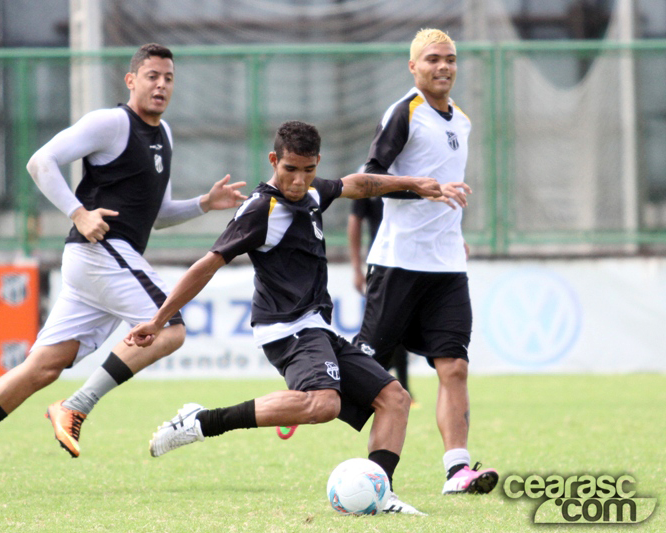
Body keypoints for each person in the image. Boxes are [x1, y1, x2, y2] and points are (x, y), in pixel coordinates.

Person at [0, 43, 247, 495]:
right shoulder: (110, 123)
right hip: (100, 252)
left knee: (42, 366)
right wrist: (77, 212)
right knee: (169, 329)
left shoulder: (163, 134)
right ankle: (75, 407)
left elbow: (154, 213)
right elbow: (41, 162)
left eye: (168, 78)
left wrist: (204, 204)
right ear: (131, 80)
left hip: (99, 263)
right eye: (151, 75)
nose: (161, 85)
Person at [126, 121, 448, 514]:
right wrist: (159, 320)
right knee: (323, 404)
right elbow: (206, 266)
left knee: (394, 398)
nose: (299, 180)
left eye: (308, 170)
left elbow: (358, 184)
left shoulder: (312, 194)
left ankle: (380, 494)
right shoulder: (261, 209)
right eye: (290, 169)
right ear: (274, 160)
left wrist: (414, 183)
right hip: (285, 327)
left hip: (317, 327)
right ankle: (203, 421)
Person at [352, 28, 498, 495]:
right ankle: (301, 401)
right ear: (414, 67)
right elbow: (366, 179)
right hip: (398, 263)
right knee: (366, 375)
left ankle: (457, 471)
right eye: (433, 59)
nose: (444, 67)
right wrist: (419, 184)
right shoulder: (404, 113)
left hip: (447, 266)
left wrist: (455, 238)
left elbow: (448, 190)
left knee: (453, 366)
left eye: (450, 59)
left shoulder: (463, 122)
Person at [347, 193, 414, 403]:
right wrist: (357, 268)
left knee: (403, 329)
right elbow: (354, 220)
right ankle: (355, 386)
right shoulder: (368, 177)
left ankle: (402, 388)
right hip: (382, 264)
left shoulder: (414, 173)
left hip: (413, 263)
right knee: (380, 330)